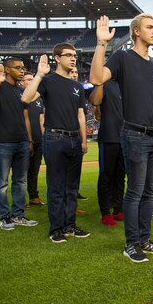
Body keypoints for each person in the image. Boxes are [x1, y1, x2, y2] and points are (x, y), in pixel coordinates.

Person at [90, 14, 153, 262]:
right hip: (133, 134)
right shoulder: (122, 57)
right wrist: (102, 44)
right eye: (149, 27)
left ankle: (145, 240)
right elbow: (96, 79)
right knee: (135, 192)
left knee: (149, 192)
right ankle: (131, 243)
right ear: (136, 31)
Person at [21, 43, 90, 243]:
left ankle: (70, 226)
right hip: (54, 137)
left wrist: (83, 140)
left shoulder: (78, 86)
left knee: (71, 187)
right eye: (68, 55)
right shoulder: (48, 80)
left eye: (74, 55)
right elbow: (26, 98)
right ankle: (56, 229)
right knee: (56, 186)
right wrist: (40, 75)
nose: (73, 58)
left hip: (74, 139)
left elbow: (81, 116)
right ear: (57, 58)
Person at [0, 59, 38, 230]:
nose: (22, 70)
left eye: (23, 68)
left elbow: (26, 118)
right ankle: (4, 217)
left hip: (22, 141)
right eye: (17, 68)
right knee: (2, 182)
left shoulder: (22, 91)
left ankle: (18, 215)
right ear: (7, 69)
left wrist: (29, 140)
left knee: (20, 181)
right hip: (4, 141)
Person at [89, 79, 126, 226]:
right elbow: (95, 103)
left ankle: (118, 209)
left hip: (125, 137)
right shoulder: (105, 83)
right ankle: (105, 212)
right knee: (106, 175)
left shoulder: (127, 82)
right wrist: (100, 82)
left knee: (120, 176)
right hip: (109, 136)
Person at [20, 71, 45, 206]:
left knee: (34, 171)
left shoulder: (39, 99)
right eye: (28, 79)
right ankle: (21, 199)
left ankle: (34, 197)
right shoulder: (20, 97)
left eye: (33, 79)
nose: (31, 81)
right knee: (22, 172)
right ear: (22, 82)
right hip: (23, 139)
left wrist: (43, 137)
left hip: (38, 140)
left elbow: (41, 120)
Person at [69, 67, 89, 203]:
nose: (75, 75)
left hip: (76, 136)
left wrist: (84, 140)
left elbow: (81, 115)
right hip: (61, 136)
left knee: (75, 172)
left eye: (76, 72)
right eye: (72, 72)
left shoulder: (79, 89)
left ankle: (74, 196)